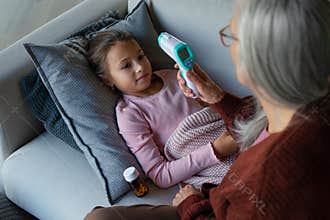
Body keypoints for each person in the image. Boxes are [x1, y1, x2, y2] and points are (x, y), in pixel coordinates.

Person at [85, 0, 330, 219]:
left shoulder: (265, 182)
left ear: (256, 62)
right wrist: (218, 98)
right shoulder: (305, 109)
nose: (139, 68)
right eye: (126, 65)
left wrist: (190, 204)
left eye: (231, 36)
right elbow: (256, 123)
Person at [88, 29, 238, 188]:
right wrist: (216, 151)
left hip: (229, 135)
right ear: (107, 79)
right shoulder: (130, 114)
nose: (139, 67)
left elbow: (216, 112)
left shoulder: (175, 76)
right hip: (213, 158)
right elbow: (160, 175)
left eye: (140, 56)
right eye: (126, 65)